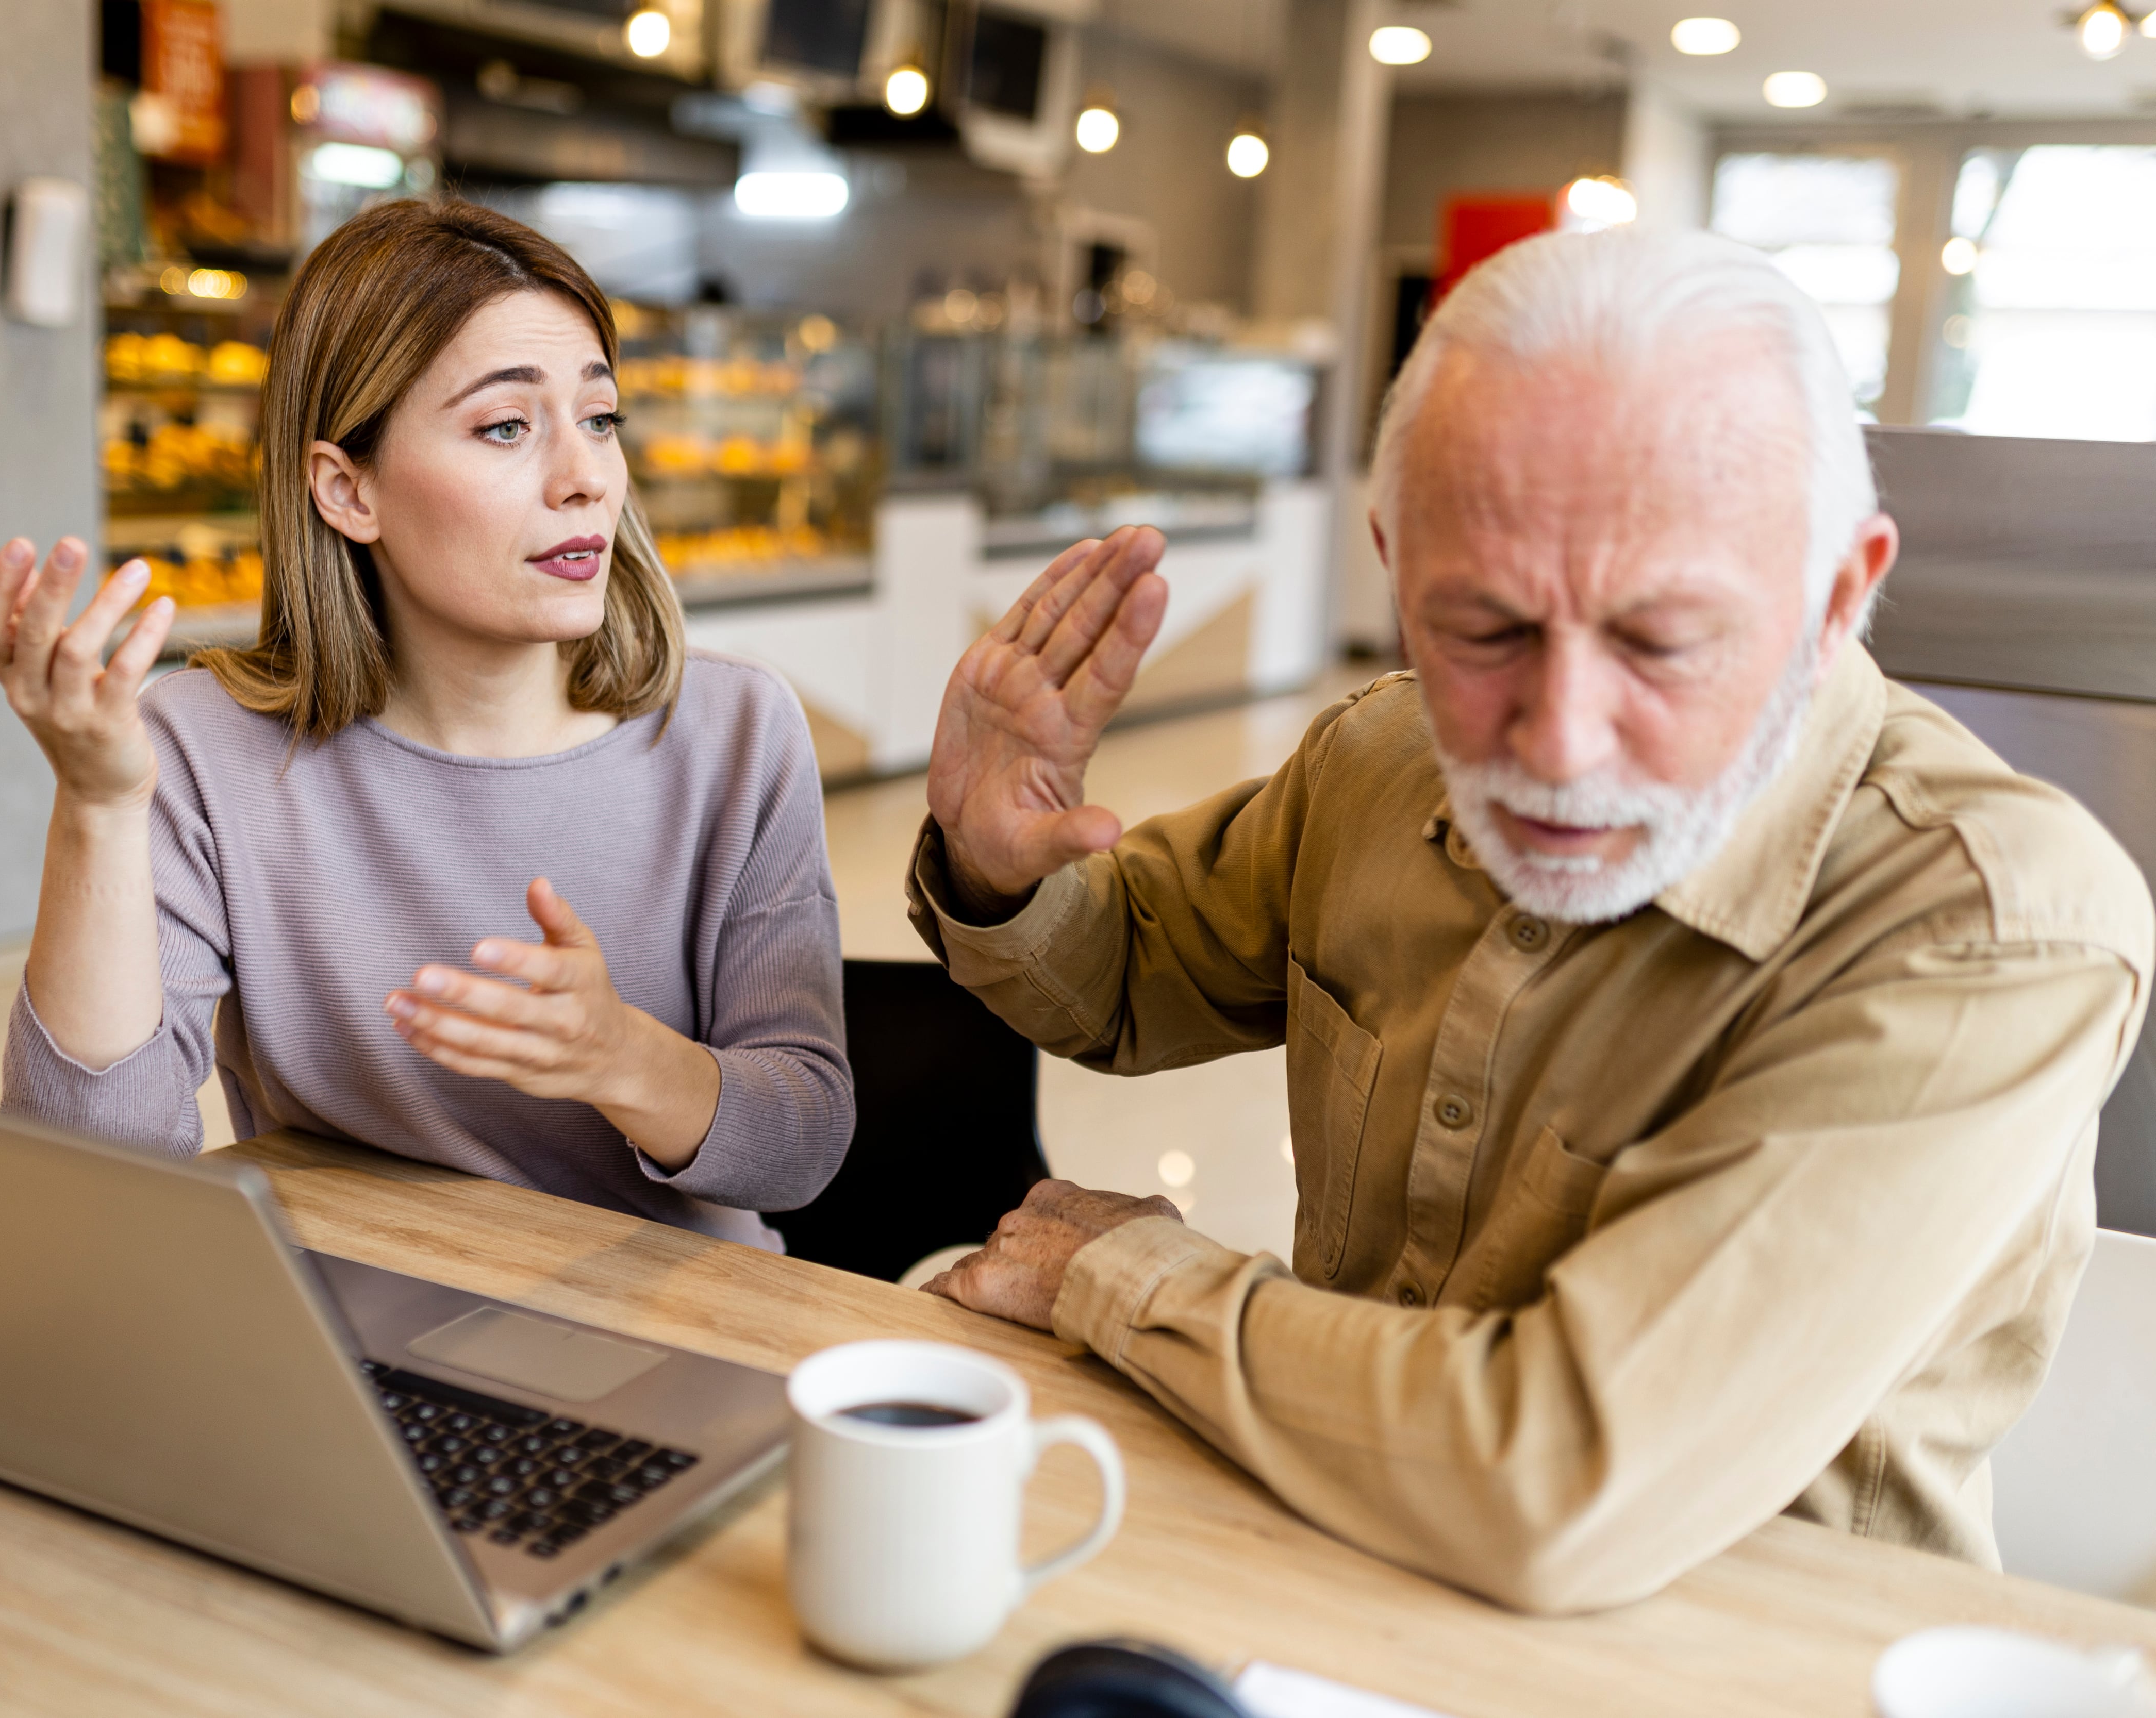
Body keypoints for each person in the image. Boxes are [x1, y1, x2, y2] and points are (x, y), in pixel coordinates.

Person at [908, 230, 2153, 1612]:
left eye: (1661, 642)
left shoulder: (1988, 923)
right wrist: (1004, 864)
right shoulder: (1383, 758)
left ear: (1837, 599)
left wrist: (1127, 1272)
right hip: (1329, 1561)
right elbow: (1134, 972)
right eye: (1484, 630)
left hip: (1746, 1659)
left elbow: (1555, 1477)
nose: (1558, 742)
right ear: (1394, 567)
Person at [0, 199, 852, 1249]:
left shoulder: (737, 733)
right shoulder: (199, 750)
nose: (587, 478)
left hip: (674, 1317)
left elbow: (802, 1147)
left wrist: (622, 1056)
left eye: (600, 417)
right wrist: (98, 806)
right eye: (506, 426)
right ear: (348, 490)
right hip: (357, 1312)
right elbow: (91, 1181)